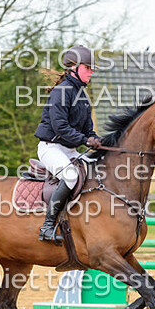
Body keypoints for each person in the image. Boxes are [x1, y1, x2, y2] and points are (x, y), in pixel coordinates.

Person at [33, 44, 102, 243]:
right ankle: (47, 226)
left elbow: (88, 130)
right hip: (50, 148)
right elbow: (60, 127)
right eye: (87, 68)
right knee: (70, 176)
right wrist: (85, 140)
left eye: (92, 69)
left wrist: (96, 139)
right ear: (74, 68)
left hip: (69, 149)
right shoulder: (61, 92)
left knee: (96, 171)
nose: (91, 72)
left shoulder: (83, 96)